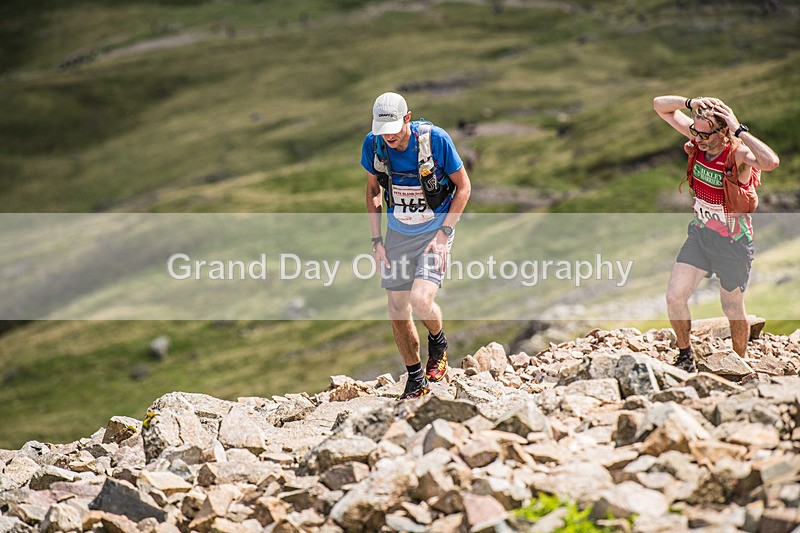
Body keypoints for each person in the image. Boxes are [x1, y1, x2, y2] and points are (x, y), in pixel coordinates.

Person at [653, 95, 779, 371]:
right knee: (675, 297)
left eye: (705, 133)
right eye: (694, 131)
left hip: (733, 242)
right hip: (700, 235)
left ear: (723, 132)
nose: (697, 137)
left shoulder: (739, 154)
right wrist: (691, 102)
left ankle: (740, 364)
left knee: (732, 308)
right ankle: (686, 356)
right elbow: (660, 106)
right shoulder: (700, 135)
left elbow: (770, 162)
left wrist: (738, 128)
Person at [361, 92, 472, 399]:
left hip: (434, 230)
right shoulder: (373, 144)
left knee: (421, 300)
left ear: (408, 118)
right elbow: (372, 192)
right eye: (383, 131)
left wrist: (444, 235)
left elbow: (464, 187)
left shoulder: (435, 140)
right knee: (397, 309)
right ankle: (415, 378)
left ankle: (438, 342)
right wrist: (376, 241)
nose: (390, 136)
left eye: (395, 128)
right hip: (398, 233)